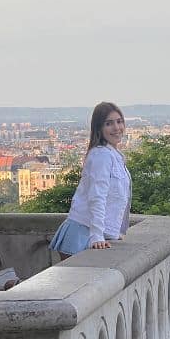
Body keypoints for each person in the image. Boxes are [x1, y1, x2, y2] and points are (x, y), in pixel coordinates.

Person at [49, 102, 131, 258]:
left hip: (87, 230)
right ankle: (10, 283)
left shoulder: (113, 154)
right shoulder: (102, 155)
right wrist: (97, 236)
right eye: (109, 123)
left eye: (119, 121)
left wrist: (111, 232)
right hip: (83, 232)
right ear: (99, 128)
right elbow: (97, 197)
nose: (116, 128)